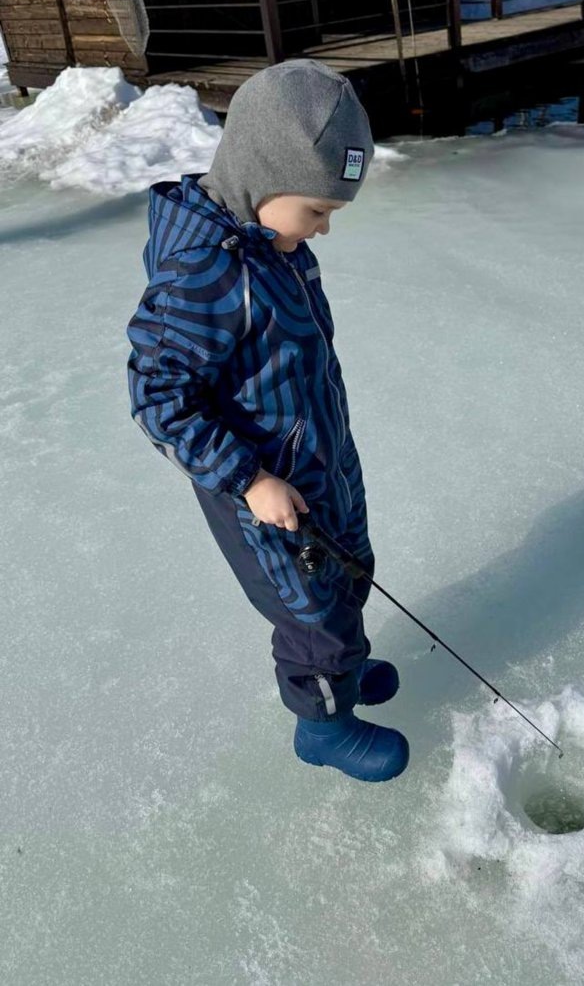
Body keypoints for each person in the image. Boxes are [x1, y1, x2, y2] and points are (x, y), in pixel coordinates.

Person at [126, 59, 409, 783]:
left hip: (319, 460)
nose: (322, 231)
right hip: (264, 492)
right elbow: (159, 396)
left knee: (348, 568)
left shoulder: (278, 246)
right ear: (263, 175)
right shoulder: (204, 272)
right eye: (317, 211)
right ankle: (324, 721)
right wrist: (248, 479)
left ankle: (343, 666)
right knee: (309, 612)